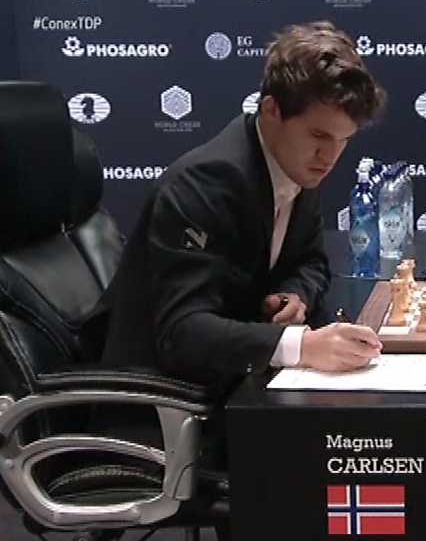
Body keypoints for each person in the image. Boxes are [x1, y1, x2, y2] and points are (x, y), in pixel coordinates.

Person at [100, 21, 387, 392]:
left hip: (239, 378)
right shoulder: (204, 184)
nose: (330, 156)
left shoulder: (296, 162)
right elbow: (181, 331)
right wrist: (301, 346)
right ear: (271, 110)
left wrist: (294, 295)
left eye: (343, 140)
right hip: (163, 396)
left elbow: (310, 261)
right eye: (318, 135)